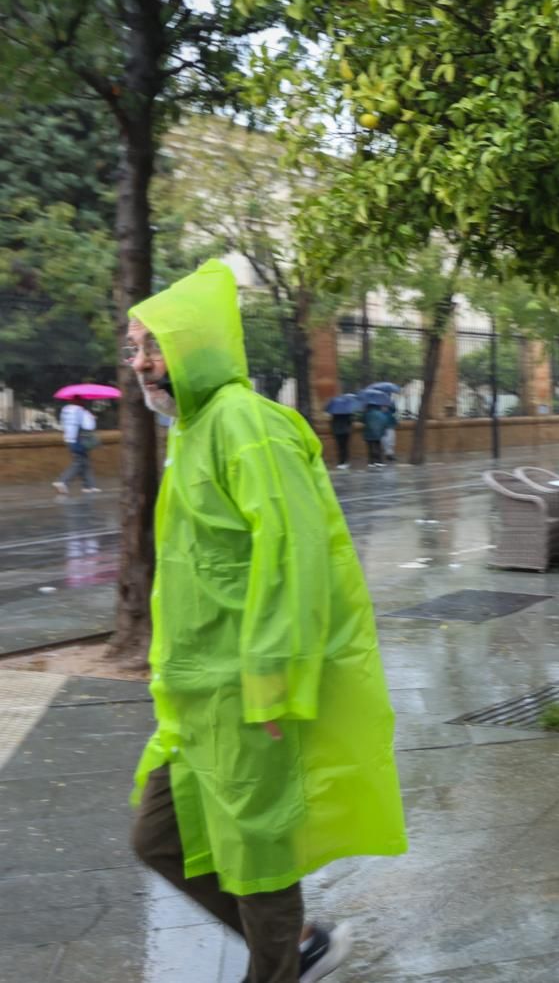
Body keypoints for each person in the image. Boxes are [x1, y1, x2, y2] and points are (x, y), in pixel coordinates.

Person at [123, 261, 408, 981]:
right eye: (133, 348)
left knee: (257, 853)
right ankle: (302, 941)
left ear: (196, 347)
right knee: (158, 837)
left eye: (152, 345)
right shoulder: (192, 431)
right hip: (196, 701)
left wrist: (272, 682)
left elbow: (294, 559)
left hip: (249, 696)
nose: (140, 364)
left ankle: (283, 960)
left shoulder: (245, 424)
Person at [53, 395, 102, 495]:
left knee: (84, 461)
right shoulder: (81, 411)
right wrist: (92, 418)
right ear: (80, 401)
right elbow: (89, 426)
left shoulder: (65, 411)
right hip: (79, 439)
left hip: (69, 438)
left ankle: (89, 486)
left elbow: (63, 424)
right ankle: (62, 481)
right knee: (79, 462)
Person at [362, 399, 388, 468]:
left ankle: (371, 462)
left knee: (370, 448)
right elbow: (384, 421)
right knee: (378, 447)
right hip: (377, 433)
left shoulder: (366, 413)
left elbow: (363, 420)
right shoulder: (380, 413)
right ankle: (379, 461)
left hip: (368, 433)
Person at [328, 403, 354, 471]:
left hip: (338, 432)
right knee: (345, 447)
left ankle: (341, 462)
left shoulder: (334, 415)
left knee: (340, 447)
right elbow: (350, 422)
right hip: (346, 432)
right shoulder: (348, 414)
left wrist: (333, 430)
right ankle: (345, 461)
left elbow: (332, 423)